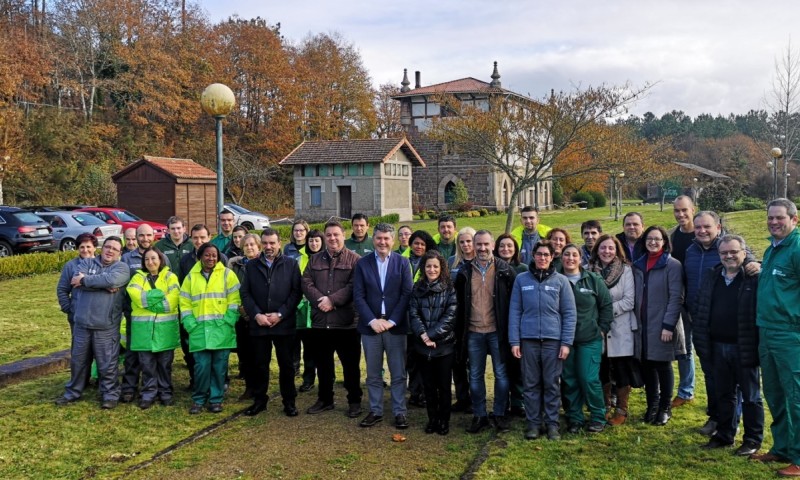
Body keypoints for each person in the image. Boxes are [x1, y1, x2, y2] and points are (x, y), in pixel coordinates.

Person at [682, 211, 759, 435]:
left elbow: (748, 260)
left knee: (740, 384)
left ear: (718, 226)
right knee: (712, 376)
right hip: (703, 321)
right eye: (698, 228)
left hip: (735, 330)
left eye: (707, 226)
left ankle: (734, 424)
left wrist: (755, 263)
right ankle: (717, 419)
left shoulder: (729, 247)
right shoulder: (691, 251)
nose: (702, 231)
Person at [694, 234, 764, 457]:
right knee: (724, 394)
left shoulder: (753, 278)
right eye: (724, 252)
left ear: (744, 253)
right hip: (717, 346)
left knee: (751, 396)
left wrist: (758, 264)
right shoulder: (712, 275)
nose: (729, 256)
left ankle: (752, 440)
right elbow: (702, 306)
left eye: (734, 252)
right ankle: (725, 435)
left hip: (744, 345)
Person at [751, 198, 800, 476]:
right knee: (774, 392)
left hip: (790, 334)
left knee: (796, 396)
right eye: (770, 218)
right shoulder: (772, 248)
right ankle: (782, 447)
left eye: (780, 218)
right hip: (766, 330)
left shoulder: (797, 248)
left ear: (794, 219)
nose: (774, 222)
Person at [509, 241, 576, 441]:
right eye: (539, 254)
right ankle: (533, 423)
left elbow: (569, 313)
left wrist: (566, 342)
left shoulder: (561, 281)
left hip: (552, 341)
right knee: (530, 384)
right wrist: (514, 341)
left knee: (551, 384)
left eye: (546, 255)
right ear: (533, 255)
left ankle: (552, 424)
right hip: (528, 341)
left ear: (552, 257)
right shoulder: (521, 280)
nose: (542, 258)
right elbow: (515, 311)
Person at [56, 237, 130, 409]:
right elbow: (76, 280)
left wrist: (86, 281)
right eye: (107, 247)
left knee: (107, 364)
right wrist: (102, 284)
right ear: (101, 248)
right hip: (82, 324)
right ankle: (72, 392)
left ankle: (110, 395)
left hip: (106, 325)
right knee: (78, 361)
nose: (110, 251)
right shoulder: (86, 263)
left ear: (120, 253)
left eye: (115, 249)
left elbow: (111, 281)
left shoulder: (122, 268)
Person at [455, 230, 516, 434]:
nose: (482, 248)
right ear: (473, 245)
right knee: (475, 376)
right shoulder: (464, 272)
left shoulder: (505, 271)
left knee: (501, 374)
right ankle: (479, 415)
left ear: (492, 245)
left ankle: (499, 413)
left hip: (497, 332)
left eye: (486, 244)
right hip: (473, 332)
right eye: (478, 244)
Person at [353, 224, 413, 429]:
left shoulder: (403, 263)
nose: (382, 242)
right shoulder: (363, 263)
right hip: (371, 327)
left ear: (393, 240)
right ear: (374, 239)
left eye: (386, 238)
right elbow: (358, 296)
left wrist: (392, 321)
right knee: (373, 373)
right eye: (378, 238)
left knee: (398, 373)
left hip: (395, 326)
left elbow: (407, 294)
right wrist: (372, 320)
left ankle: (399, 412)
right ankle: (376, 410)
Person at [301, 220, 363, 417]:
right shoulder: (314, 260)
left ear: (343, 235)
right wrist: (321, 299)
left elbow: (354, 286)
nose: (332, 238)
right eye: (329, 235)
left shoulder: (355, 260)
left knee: (351, 366)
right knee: (323, 365)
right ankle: (325, 399)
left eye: (336, 234)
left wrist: (332, 301)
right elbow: (306, 282)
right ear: (324, 238)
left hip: (346, 324)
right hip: (321, 322)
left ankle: (354, 401)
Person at [240, 228, 303, 417]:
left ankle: (289, 402)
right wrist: (257, 315)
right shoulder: (251, 266)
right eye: (265, 243)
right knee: (260, 364)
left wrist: (281, 314)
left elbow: (296, 292)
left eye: (272, 243)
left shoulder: (291, 265)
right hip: (259, 325)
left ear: (279, 243)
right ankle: (260, 400)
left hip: (283, 325)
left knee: (286, 365)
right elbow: (245, 293)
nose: (268, 247)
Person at [180, 242, 241, 414]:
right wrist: (190, 324)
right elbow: (184, 303)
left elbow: (235, 300)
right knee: (201, 368)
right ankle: (198, 399)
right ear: (200, 256)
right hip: (199, 331)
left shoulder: (228, 275)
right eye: (207, 255)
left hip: (222, 330)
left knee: (219, 368)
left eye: (214, 255)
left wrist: (229, 320)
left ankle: (216, 400)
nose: (211, 258)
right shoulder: (191, 278)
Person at [632, 226, 684, 426]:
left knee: (662, 365)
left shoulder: (672, 265)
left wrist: (668, 325)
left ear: (664, 242)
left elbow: (676, 297)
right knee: (647, 365)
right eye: (649, 239)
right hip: (642, 325)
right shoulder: (638, 265)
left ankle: (665, 407)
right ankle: (651, 404)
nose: (653, 242)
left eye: (657, 239)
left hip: (661, 324)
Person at [560, 244, 613, 434]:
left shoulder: (592, 280)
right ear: (561, 257)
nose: (571, 258)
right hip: (564, 340)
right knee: (569, 379)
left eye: (575, 255)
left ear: (581, 259)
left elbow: (606, 305)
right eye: (567, 255)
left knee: (588, 378)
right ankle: (575, 418)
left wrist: (602, 329)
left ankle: (598, 416)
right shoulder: (556, 279)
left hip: (589, 338)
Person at [588, 234, 638, 425]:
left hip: (620, 327)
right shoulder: (588, 271)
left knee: (621, 368)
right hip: (597, 328)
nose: (607, 251)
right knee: (601, 368)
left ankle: (622, 410)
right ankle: (605, 406)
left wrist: (605, 311)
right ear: (597, 250)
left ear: (617, 250)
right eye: (603, 248)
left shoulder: (625, 271)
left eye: (611, 248)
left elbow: (628, 301)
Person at [409, 250, 458, 435]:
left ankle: (444, 421)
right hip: (422, 347)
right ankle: (432, 419)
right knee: (428, 386)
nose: (431, 269)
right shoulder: (417, 288)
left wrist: (431, 335)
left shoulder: (449, 288)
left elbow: (450, 316)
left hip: (443, 346)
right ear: (423, 268)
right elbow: (413, 313)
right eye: (428, 266)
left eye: (435, 266)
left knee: (444, 387)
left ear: (441, 268)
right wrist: (423, 335)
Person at [126, 247, 180, 409]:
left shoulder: (171, 277)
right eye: (147, 259)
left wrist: (149, 300)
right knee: (147, 365)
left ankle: (165, 392)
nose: (150, 262)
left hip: (165, 330)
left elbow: (171, 302)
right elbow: (136, 297)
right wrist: (160, 295)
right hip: (144, 331)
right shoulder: (137, 278)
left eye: (154, 258)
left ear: (160, 259)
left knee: (165, 365)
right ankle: (148, 393)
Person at [120, 224, 163, 404]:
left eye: (148, 235)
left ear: (153, 236)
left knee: (156, 353)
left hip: (156, 314)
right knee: (132, 353)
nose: (145, 239)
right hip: (134, 314)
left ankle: (158, 388)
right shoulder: (126, 258)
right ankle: (129, 388)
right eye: (141, 236)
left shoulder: (159, 256)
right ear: (135, 237)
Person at [56, 233, 99, 386]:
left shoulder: (101, 264)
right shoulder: (71, 266)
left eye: (88, 246)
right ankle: (80, 381)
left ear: (95, 247)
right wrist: (69, 308)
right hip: (78, 315)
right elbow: (62, 289)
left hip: (98, 315)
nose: (85, 250)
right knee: (80, 351)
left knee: (99, 350)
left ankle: (99, 378)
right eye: (82, 247)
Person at [668, 196, 697, 412]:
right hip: (682, 300)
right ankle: (686, 390)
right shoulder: (673, 237)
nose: (681, 215)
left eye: (684, 210)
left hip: (705, 300)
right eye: (677, 211)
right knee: (685, 346)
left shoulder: (704, 231)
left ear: (693, 209)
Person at [227, 233, 262, 400]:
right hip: (241, 315)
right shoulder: (235, 265)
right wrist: (240, 309)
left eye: (252, 245)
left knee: (259, 354)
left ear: (259, 247)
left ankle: (260, 387)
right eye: (246, 245)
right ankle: (249, 387)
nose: (249, 247)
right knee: (245, 354)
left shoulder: (263, 264)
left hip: (259, 315)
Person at [296, 229, 323, 393]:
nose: (314, 244)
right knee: (308, 348)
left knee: (324, 347)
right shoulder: (299, 259)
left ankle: (328, 378)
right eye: (311, 241)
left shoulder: (328, 258)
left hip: (322, 309)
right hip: (304, 311)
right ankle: (308, 378)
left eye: (317, 241)